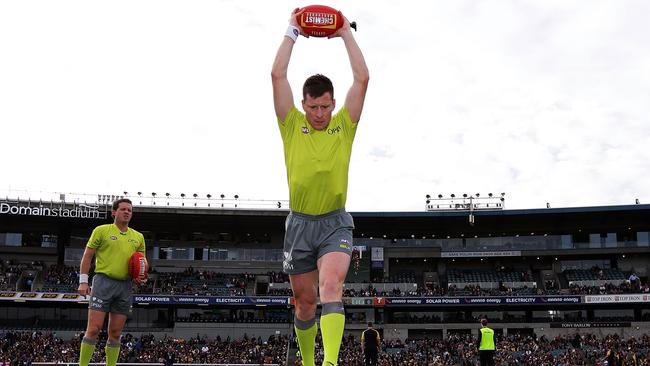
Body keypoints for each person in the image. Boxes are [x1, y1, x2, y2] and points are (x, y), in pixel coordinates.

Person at [271, 8, 369, 366]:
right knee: (305, 302)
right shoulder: (291, 124)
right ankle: (309, 362)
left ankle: (329, 362)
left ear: (332, 102)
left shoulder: (344, 125)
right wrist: (292, 30)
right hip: (298, 224)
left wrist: (344, 32)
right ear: (303, 104)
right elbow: (276, 73)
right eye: (313, 107)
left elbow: (362, 79)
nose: (319, 114)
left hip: (334, 223)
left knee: (330, 288)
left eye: (325, 106)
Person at [77, 198, 147, 366]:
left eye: (129, 210)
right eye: (123, 209)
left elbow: (142, 263)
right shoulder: (101, 230)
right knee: (93, 329)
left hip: (125, 286)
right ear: (114, 212)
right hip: (103, 282)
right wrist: (83, 281)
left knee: (115, 333)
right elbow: (88, 256)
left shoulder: (138, 237)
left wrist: (141, 277)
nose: (127, 212)